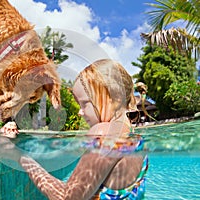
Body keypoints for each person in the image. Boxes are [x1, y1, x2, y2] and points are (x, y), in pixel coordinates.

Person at [18, 59, 148, 200]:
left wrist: (22, 158)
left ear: (115, 98)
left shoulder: (104, 133)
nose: (80, 112)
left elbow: (68, 198)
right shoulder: (136, 138)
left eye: (85, 103)